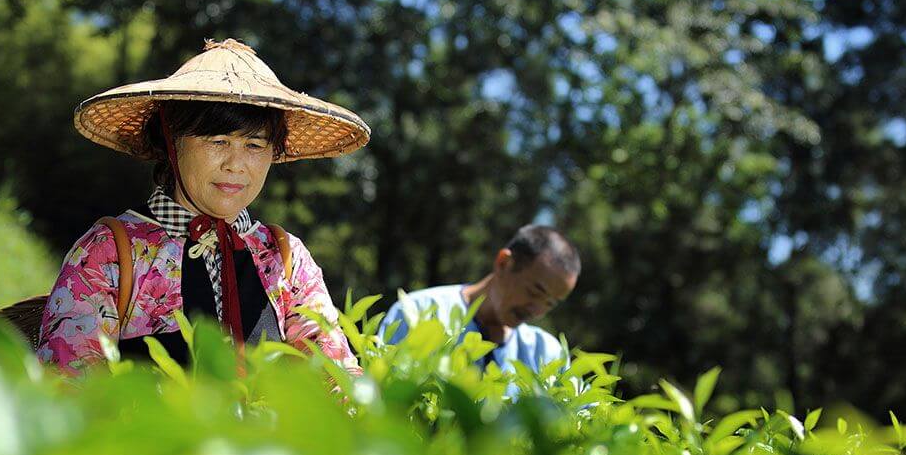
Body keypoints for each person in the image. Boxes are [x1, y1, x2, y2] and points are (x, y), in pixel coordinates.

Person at [37, 38, 367, 374]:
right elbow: (69, 383)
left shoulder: (285, 258)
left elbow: (335, 377)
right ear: (171, 141)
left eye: (254, 145)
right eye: (218, 141)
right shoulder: (110, 251)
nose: (235, 165)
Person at [378, 225, 580, 374]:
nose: (537, 311)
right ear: (503, 263)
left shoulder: (547, 353)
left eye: (550, 303)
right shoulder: (420, 311)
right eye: (534, 292)